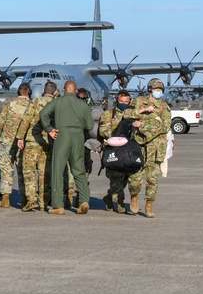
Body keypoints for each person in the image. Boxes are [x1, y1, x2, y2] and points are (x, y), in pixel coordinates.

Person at [39, 80, 94, 215]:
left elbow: (43, 114)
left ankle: (58, 205)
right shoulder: (83, 105)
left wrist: (50, 129)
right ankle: (83, 200)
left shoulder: (57, 102)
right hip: (78, 137)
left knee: (57, 170)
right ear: (75, 91)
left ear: (63, 90)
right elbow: (90, 126)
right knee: (79, 169)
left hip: (62, 136)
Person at [124, 78, 172, 217]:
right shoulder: (138, 102)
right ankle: (134, 197)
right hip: (138, 145)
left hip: (155, 147)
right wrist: (143, 110)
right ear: (150, 89)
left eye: (160, 90)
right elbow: (127, 114)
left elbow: (165, 126)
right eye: (156, 89)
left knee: (152, 178)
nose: (158, 92)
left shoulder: (164, 106)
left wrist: (143, 126)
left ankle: (149, 205)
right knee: (135, 176)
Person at [16, 82, 57, 212]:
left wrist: (20, 137)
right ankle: (44, 201)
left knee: (29, 171)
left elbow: (26, 119)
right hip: (49, 142)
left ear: (44, 90)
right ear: (54, 92)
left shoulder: (35, 102)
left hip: (33, 140)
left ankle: (31, 200)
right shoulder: (57, 104)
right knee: (45, 172)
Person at [0, 83, 31, 208]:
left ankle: (5, 198)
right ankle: (24, 198)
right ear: (28, 93)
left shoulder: (10, 103)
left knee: (5, 170)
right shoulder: (31, 105)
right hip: (23, 142)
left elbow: (0, 121)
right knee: (23, 170)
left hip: (7, 141)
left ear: (18, 93)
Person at [98, 90, 133, 213]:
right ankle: (119, 202)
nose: (123, 104)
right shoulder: (109, 114)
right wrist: (116, 136)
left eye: (126, 102)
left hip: (128, 151)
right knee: (115, 178)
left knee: (126, 179)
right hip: (114, 150)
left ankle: (109, 197)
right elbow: (103, 130)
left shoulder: (133, 114)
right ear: (117, 101)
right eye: (121, 101)